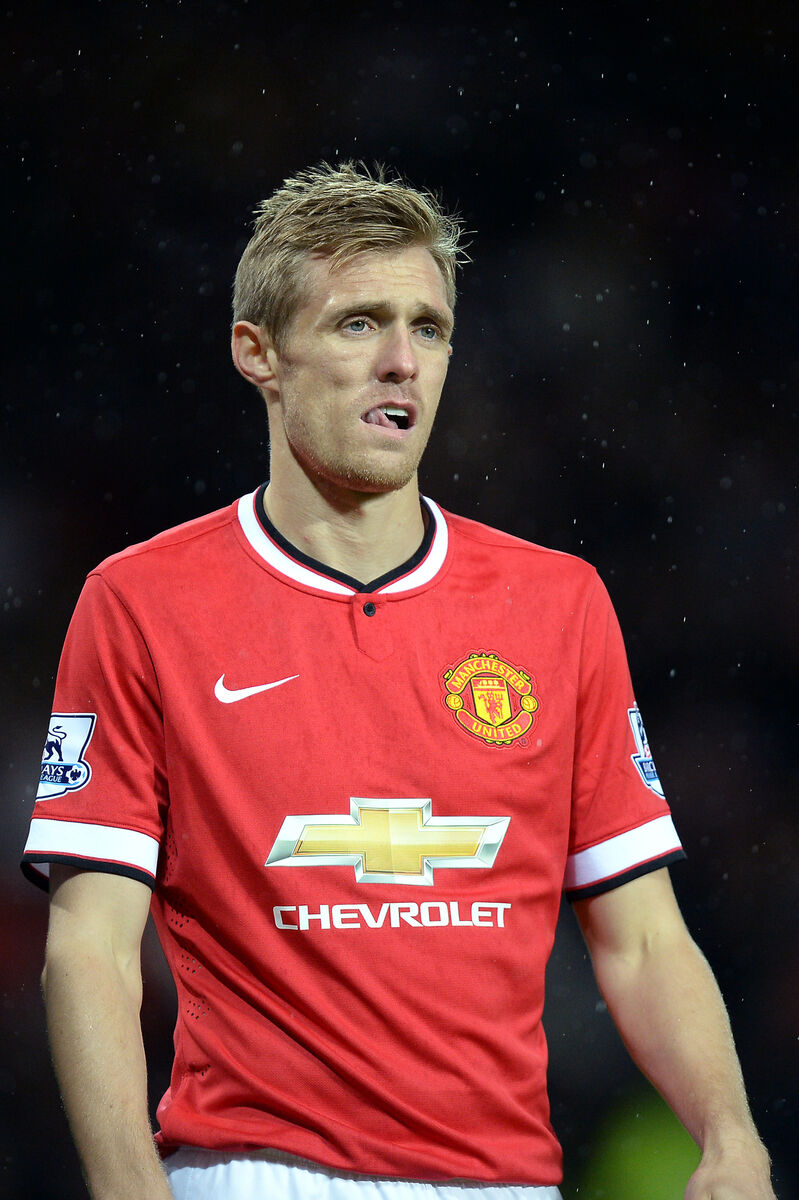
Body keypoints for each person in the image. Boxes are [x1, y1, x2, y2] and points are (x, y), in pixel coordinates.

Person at [22, 163, 775, 1200]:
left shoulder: (556, 606)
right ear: (259, 354)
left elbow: (643, 939)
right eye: (357, 324)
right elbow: (90, 948)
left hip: (506, 1181)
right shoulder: (143, 601)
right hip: (253, 1172)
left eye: (427, 328)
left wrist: (730, 1134)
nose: (399, 363)